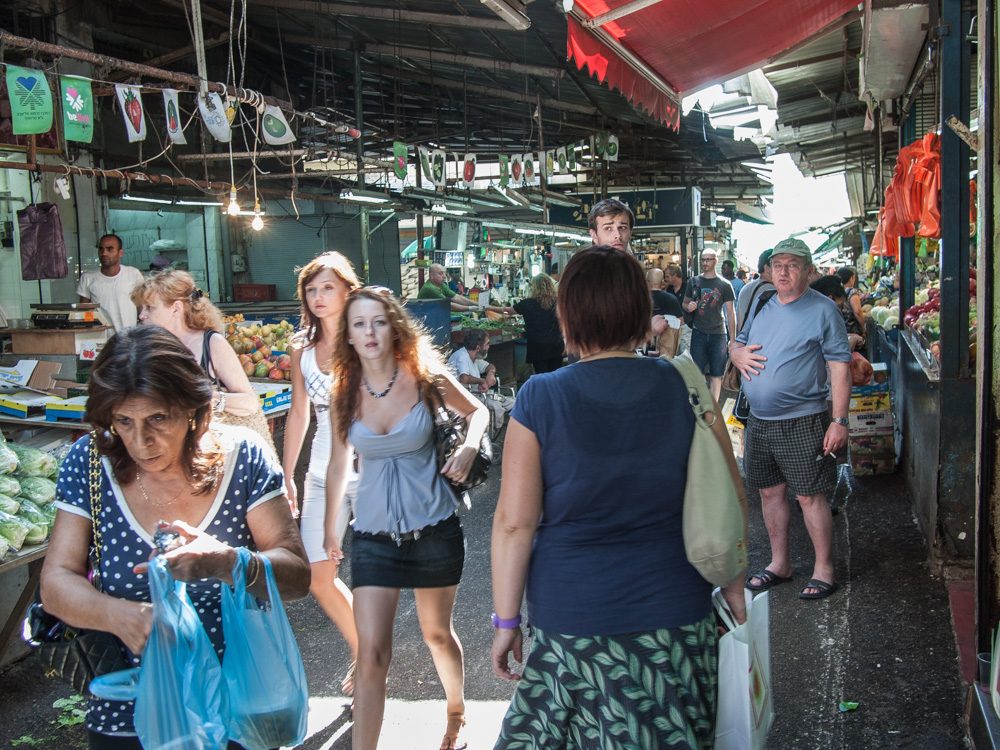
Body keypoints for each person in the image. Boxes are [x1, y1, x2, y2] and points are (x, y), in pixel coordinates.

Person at [490, 245, 748, 748]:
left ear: (569, 316)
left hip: (571, 618)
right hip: (674, 614)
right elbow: (728, 487)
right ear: (640, 312)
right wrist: (734, 585)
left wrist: (506, 621)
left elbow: (514, 524)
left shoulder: (539, 397)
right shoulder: (684, 381)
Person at [40, 325, 310, 749]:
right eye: (123, 422)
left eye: (158, 419)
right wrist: (117, 616)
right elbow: (56, 581)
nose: (140, 441)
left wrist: (228, 561)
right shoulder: (90, 462)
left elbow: (296, 578)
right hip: (128, 712)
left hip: (235, 708)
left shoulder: (244, 457)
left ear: (192, 409)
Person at [324, 288, 489, 750]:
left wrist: (469, 445)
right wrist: (331, 530)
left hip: (433, 529)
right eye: (359, 324)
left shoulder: (423, 376)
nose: (370, 332)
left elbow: (476, 412)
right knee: (372, 654)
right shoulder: (345, 392)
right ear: (349, 336)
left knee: (436, 633)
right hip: (373, 536)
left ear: (394, 326)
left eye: (378, 322)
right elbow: (339, 466)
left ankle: (456, 708)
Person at [729, 237, 851, 601]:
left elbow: (840, 367)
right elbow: (738, 342)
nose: (783, 271)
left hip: (803, 419)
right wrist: (735, 354)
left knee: (809, 496)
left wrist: (840, 421)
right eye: (778, 264)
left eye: (793, 265)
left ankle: (824, 569)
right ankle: (779, 563)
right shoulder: (762, 302)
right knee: (768, 493)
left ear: (809, 272)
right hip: (760, 421)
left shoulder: (823, 310)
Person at [282, 251, 362, 696]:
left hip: (371, 473)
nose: (318, 296)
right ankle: (364, 651)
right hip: (318, 473)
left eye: (327, 287)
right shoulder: (300, 349)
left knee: (374, 576)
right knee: (319, 577)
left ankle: (369, 662)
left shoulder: (367, 339)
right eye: (311, 289)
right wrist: (287, 473)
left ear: (348, 290)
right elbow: (298, 415)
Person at [131, 270, 268, 443]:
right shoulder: (149, 348)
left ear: (176, 308)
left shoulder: (212, 344)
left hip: (212, 449)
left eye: (150, 308)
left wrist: (210, 398)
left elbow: (249, 402)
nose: (142, 315)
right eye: (142, 308)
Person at [683, 249, 736, 401]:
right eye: (703, 260)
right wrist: (689, 306)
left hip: (718, 334)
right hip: (698, 331)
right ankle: (698, 407)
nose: (705, 263)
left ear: (715, 261)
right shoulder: (694, 281)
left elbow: (731, 314)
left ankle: (714, 411)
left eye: (708, 259)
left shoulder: (725, 284)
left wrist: (733, 340)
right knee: (696, 373)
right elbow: (685, 303)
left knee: (716, 374)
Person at [448, 330, 514, 435]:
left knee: (513, 402)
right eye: (487, 344)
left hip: (478, 395)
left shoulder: (475, 357)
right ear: (478, 348)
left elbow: (490, 366)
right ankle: (491, 435)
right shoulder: (462, 356)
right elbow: (464, 378)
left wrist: (490, 374)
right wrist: (482, 381)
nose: (489, 347)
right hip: (464, 399)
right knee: (497, 406)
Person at [77, 234, 145, 330]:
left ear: (120, 253)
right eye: (101, 249)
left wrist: (142, 330)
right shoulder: (88, 278)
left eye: (110, 249)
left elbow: (141, 306)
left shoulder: (133, 274)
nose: (104, 253)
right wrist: (90, 336)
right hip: (100, 339)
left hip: (128, 338)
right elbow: (84, 311)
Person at [513, 273, 564, 375]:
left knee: (542, 377)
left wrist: (486, 307)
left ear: (534, 287)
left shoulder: (527, 303)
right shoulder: (558, 302)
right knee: (556, 377)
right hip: (556, 346)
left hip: (538, 348)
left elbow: (506, 310)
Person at [418, 263, 513, 315]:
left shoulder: (441, 285)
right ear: (431, 276)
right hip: (426, 320)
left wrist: (481, 305)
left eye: (444, 273)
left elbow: (458, 298)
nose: (443, 276)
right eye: (440, 273)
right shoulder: (430, 288)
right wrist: (471, 308)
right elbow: (450, 305)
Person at [736, 248, 775, 330]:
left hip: (745, 339)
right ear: (767, 268)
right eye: (777, 265)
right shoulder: (770, 290)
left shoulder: (747, 287)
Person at [836, 266, 867, 349]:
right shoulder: (852, 292)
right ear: (851, 278)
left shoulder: (838, 292)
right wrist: (864, 328)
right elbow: (857, 312)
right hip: (853, 331)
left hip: (843, 330)